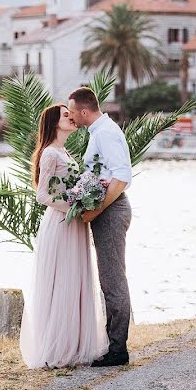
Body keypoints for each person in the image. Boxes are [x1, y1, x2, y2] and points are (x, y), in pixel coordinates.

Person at [19, 104, 108, 368]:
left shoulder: (64, 152)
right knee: (63, 283)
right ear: (54, 123)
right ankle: (59, 349)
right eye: (65, 115)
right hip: (60, 223)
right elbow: (42, 195)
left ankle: (75, 345)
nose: (71, 117)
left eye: (70, 114)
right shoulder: (49, 154)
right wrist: (74, 207)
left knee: (76, 282)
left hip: (74, 225)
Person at [67, 87, 133, 367]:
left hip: (112, 210)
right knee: (109, 278)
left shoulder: (105, 133)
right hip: (108, 208)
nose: (69, 116)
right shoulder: (98, 132)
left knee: (113, 280)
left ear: (83, 111)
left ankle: (118, 350)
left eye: (71, 111)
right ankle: (113, 344)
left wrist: (96, 210)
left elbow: (122, 176)